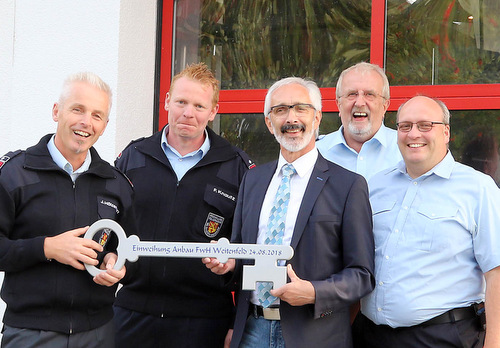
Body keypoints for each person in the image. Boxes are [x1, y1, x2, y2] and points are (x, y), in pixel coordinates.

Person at [204, 77, 375, 348]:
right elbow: (241, 251)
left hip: (315, 335)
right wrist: (229, 264)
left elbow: (362, 275)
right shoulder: (253, 180)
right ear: (269, 122)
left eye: (301, 108)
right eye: (280, 110)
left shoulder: (348, 186)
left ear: (317, 117)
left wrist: (314, 292)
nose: (291, 118)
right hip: (251, 331)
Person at [113, 63, 254, 348]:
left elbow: (248, 248)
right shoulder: (134, 156)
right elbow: (109, 226)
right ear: (167, 101)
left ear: (213, 111)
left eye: (199, 106)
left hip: (205, 322)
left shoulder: (237, 167)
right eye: (181, 102)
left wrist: (235, 324)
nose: (188, 113)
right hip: (133, 315)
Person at [0, 72, 134, 348]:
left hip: (98, 332)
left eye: (97, 115)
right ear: (56, 111)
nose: (87, 122)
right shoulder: (13, 175)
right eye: (78, 109)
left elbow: (131, 251)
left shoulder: (116, 184)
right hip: (30, 333)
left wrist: (115, 264)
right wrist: (47, 248)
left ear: (105, 125)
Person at [354, 96, 500, 348]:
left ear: (445, 132)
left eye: (425, 125)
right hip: (370, 335)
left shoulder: (478, 188)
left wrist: (494, 342)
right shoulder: (375, 185)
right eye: (405, 126)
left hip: (442, 337)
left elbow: (496, 272)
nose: (413, 134)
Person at [316, 62, 402, 181]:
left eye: (369, 94)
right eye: (352, 94)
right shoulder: (316, 152)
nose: (359, 103)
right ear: (339, 104)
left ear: (385, 106)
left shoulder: (404, 149)